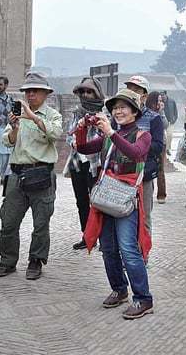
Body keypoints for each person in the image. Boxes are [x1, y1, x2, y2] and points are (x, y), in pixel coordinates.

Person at [76, 88, 154, 320]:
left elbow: (135, 154)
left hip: (125, 199)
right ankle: (119, 289)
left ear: (134, 112)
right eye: (115, 108)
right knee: (108, 247)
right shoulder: (109, 136)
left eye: (123, 107)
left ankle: (143, 298)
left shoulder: (143, 135)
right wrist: (82, 129)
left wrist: (110, 132)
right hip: (106, 197)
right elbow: (83, 148)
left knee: (128, 248)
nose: (118, 111)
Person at [0, 72, 62, 281]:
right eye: (27, 91)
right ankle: (7, 260)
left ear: (45, 94)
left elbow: (56, 134)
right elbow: (7, 141)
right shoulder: (17, 114)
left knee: (41, 223)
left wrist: (32, 117)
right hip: (17, 174)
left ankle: (36, 260)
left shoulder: (52, 115)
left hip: (41, 173)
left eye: (35, 91)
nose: (30, 95)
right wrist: (14, 127)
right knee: (8, 221)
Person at [66, 77, 106, 250]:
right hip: (77, 162)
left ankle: (104, 237)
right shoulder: (77, 113)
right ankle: (87, 236)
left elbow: (107, 137)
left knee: (98, 202)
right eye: (83, 92)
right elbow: (69, 133)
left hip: (95, 163)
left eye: (90, 92)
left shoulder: (105, 114)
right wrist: (73, 141)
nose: (86, 95)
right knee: (81, 200)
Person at [123, 76, 164, 234]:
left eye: (136, 90)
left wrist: (136, 145)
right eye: (129, 89)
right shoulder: (119, 116)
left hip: (143, 174)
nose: (131, 93)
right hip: (122, 175)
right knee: (122, 215)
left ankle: (143, 255)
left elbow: (158, 146)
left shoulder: (154, 118)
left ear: (145, 96)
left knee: (144, 216)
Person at [155, 92, 170, 204]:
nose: (160, 103)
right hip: (148, 142)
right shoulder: (147, 111)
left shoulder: (161, 112)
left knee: (160, 169)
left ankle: (161, 194)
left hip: (161, 143)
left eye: (161, 100)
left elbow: (165, 124)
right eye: (158, 100)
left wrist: (161, 112)